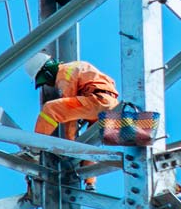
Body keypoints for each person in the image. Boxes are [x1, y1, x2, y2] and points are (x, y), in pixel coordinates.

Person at [25, 53, 119, 190]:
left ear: (47, 72)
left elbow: (69, 118)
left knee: (50, 109)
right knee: (89, 144)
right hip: (109, 106)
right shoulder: (76, 67)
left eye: (44, 80)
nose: (47, 84)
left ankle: (34, 149)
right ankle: (90, 181)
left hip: (98, 101)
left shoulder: (65, 73)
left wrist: (70, 147)